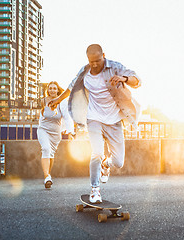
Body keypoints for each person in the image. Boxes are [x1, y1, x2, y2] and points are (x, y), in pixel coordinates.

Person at [48, 44, 141, 203]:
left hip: (114, 120)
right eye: (92, 62)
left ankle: (107, 163)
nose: (95, 64)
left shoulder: (115, 67)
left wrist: (123, 78)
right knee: (96, 152)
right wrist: (57, 100)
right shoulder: (84, 72)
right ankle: (95, 190)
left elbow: (137, 80)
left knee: (118, 162)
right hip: (94, 119)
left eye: (98, 60)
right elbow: (70, 88)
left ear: (103, 55)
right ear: (88, 60)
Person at [37, 81, 75, 189]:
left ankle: (47, 177)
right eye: (50, 88)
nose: (52, 90)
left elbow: (67, 117)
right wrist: (41, 128)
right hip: (43, 129)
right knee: (45, 149)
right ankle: (47, 176)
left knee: (51, 154)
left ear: (58, 90)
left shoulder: (62, 102)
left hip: (55, 133)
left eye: (54, 88)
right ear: (47, 90)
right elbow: (41, 116)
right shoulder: (43, 101)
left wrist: (70, 131)